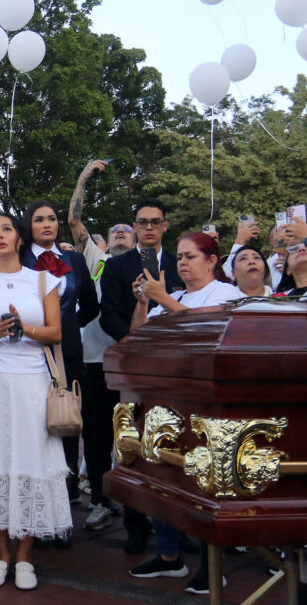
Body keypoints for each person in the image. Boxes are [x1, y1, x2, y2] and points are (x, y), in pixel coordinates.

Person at [0, 213, 71, 591]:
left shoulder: (43, 280)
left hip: (33, 383)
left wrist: (26, 328)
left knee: (30, 460)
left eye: (6, 229)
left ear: (19, 238)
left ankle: (24, 558)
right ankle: (1, 555)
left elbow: (55, 332)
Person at [128, 232, 242, 595]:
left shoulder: (226, 293)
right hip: (165, 398)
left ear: (212, 260)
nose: (181, 263)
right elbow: (136, 337)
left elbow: (213, 332)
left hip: (205, 402)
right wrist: (146, 302)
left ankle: (213, 567)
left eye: (190, 256)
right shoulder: (173, 297)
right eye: (178, 257)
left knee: (204, 481)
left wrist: (163, 299)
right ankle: (168, 556)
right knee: (161, 477)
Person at [99, 196, 184, 554]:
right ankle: (135, 526)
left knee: (175, 446)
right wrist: (134, 344)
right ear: (134, 227)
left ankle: (178, 529)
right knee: (132, 445)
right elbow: (108, 314)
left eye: (155, 221)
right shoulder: (117, 266)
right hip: (134, 366)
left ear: (165, 226)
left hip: (177, 368)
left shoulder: (182, 262)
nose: (148, 227)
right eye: (142, 222)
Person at [66, 159, 138, 531]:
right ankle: (99, 499)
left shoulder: (147, 267)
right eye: (116, 230)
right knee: (95, 438)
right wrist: (82, 179)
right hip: (95, 364)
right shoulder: (98, 262)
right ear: (106, 241)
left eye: (128, 230)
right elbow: (75, 223)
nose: (122, 233)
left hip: (135, 368)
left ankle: (139, 505)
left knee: (134, 438)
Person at [19, 200, 98, 515]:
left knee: (64, 425)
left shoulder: (74, 261)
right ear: (30, 226)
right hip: (26, 354)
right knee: (33, 427)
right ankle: (32, 505)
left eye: (52, 218)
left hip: (67, 355)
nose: (47, 224)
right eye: (39, 219)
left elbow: (91, 306)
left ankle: (62, 506)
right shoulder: (19, 259)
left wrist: (65, 326)